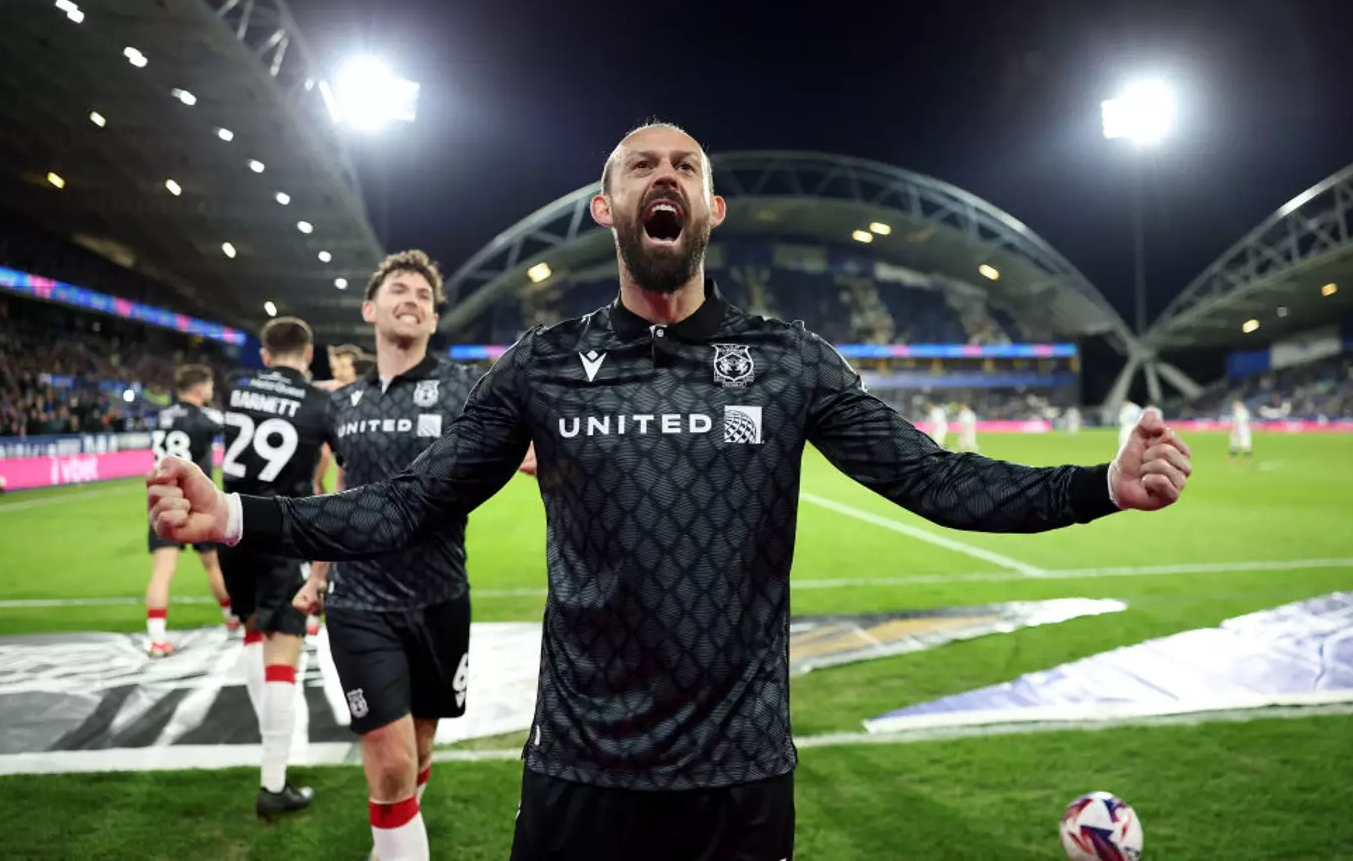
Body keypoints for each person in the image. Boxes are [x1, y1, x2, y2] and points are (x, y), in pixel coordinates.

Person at [149, 121, 1193, 861]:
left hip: (737, 776)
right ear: (608, 206)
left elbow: (935, 478)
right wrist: (240, 515)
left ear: (710, 207)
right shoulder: (541, 365)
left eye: (685, 165)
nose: (667, 174)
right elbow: (406, 505)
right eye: (642, 163)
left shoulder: (788, 359)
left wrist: (1102, 483)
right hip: (580, 768)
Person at [290, 251, 483, 861]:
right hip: (360, 605)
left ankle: (393, 841)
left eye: (425, 294)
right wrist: (318, 577)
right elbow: (340, 496)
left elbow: (527, 456)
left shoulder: (463, 389)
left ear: (433, 316)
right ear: (371, 310)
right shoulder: (341, 405)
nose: (414, 299)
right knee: (393, 761)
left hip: (441, 598)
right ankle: (398, 845)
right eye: (400, 289)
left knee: (421, 747)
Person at [219, 316, 340, 820]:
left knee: (252, 634)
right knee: (284, 654)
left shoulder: (236, 391)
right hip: (283, 529)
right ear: (309, 354)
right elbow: (335, 465)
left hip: (230, 525)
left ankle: (270, 752)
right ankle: (274, 780)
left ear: (265, 355)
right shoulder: (319, 403)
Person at [143, 363, 234, 658]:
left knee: (162, 572)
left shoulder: (162, 417)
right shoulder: (204, 417)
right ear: (199, 388)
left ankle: (156, 639)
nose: (211, 391)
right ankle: (233, 619)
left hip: (163, 499)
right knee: (213, 565)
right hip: (197, 502)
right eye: (208, 386)